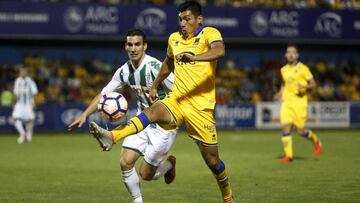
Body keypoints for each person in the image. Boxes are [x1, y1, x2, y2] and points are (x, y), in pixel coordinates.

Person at [89, 1, 234, 202]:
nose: (183, 23)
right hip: (177, 99)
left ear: (198, 19)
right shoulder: (174, 39)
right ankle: (112, 136)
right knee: (152, 111)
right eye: (180, 19)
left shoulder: (209, 33)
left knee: (212, 161)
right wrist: (155, 85)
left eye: (187, 19)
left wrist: (195, 58)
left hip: (200, 108)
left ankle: (227, 196)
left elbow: (219, 51)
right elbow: (168, 63)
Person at [68, 29, 177, 203]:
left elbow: (179, 90)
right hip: (141, 122)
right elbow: (104, 94)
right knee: (125, 162)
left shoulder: (155, 67)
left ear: (145, 46)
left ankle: (170, 164)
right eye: (130, 44)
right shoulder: (123, 71)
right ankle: (137, 201)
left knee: (146, 174)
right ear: (125, 46)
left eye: (137, 44)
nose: (133, 48)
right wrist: (85, 114)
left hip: (163, 128)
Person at [275, 44, 322, 163]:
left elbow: (313, 84)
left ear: (297, 55)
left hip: (300, 103)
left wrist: (305, 86)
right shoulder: (283, 70)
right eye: (288, 52)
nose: (291, 54)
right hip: (287, 103)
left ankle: (315, 140)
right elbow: (283, 83)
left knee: (300, 131)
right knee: (285, 127)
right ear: (286, 55)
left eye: (293, 52)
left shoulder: (303, 68)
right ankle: (288, 156)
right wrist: (280, 93)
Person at [12, 67, 38, 144]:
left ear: (26, 73)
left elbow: (35, 92)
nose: (22, 73)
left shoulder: (30, 81)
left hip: (28, 104)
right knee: (15, 118)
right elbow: (15, 93)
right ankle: (23, 134)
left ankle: (29, 136)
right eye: (21, 72)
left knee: (30, 120)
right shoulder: (17, 81)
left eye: (24, 72)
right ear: (19, 73)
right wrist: (13, 103)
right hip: (19, 104)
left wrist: (34, 103)